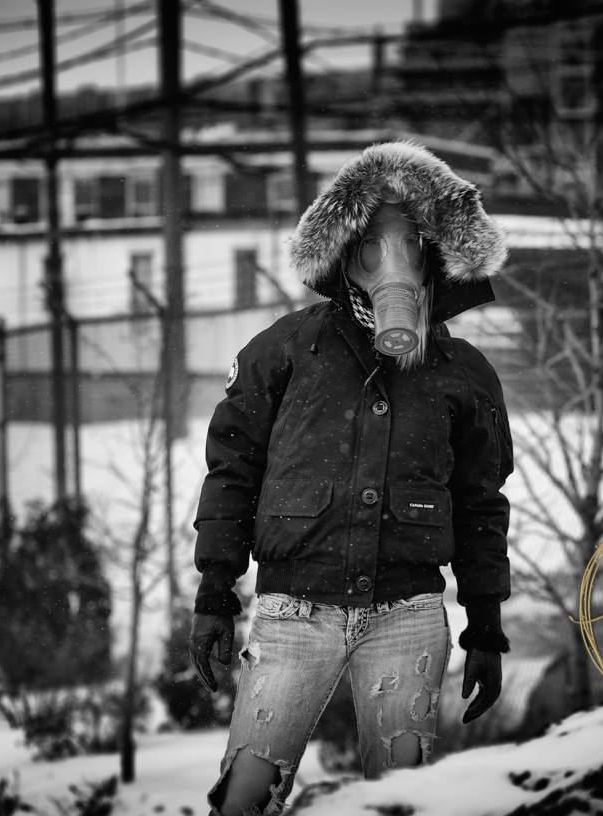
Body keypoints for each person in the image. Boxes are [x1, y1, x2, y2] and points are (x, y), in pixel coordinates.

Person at [189, 140, 515, 816]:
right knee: (243, 798)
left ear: (438, 255)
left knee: (400, 803)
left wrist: (485, 625)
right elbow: (231, 473)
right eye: (371, 242)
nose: (391, 261)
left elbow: (482, 504)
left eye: (411, 242)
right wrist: (215, 592)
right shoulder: (283, 350)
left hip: (407, 617)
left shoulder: (463, 373)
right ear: (342, 251)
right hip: (290, 617)